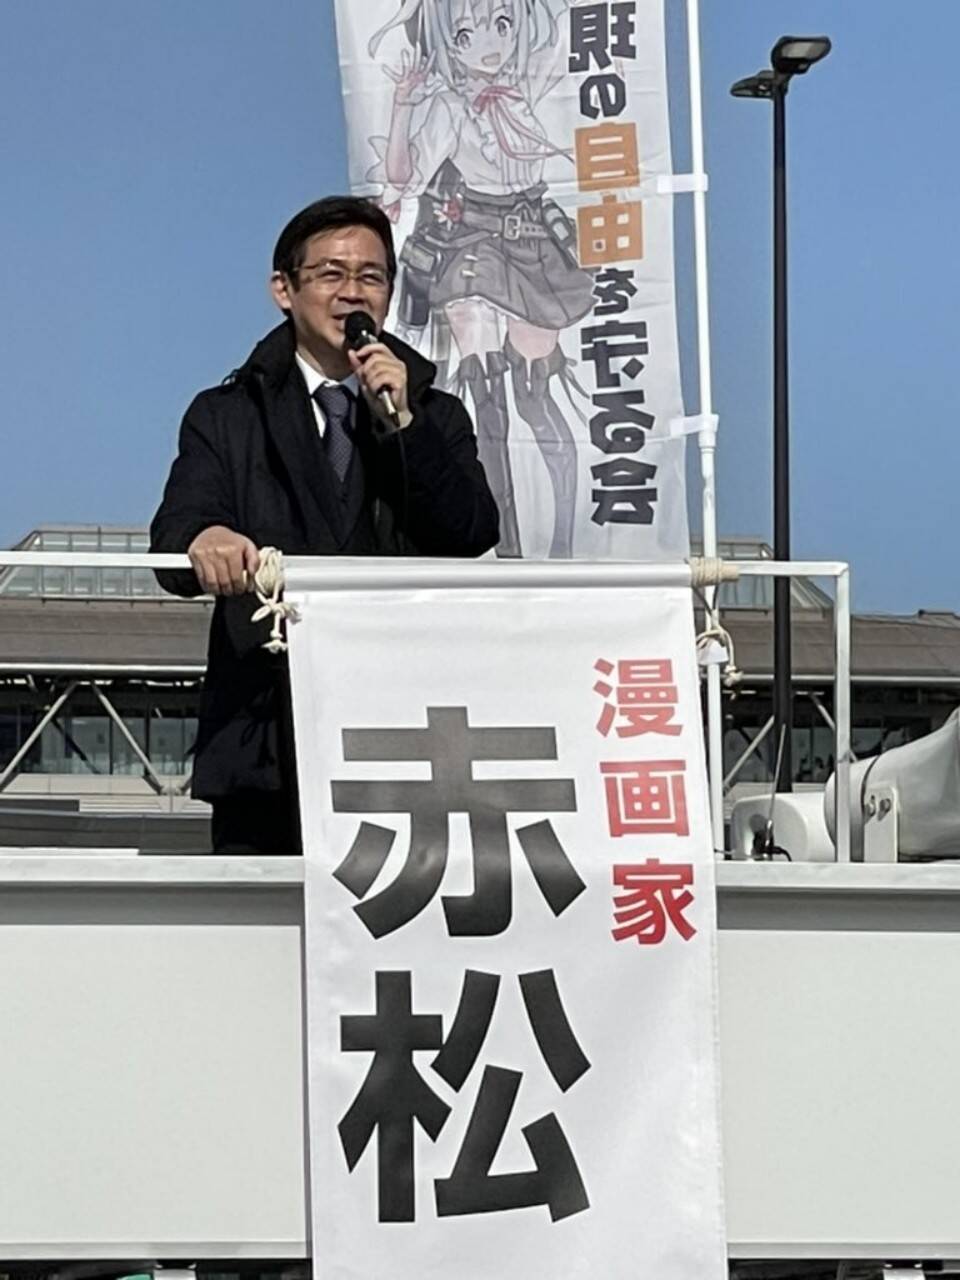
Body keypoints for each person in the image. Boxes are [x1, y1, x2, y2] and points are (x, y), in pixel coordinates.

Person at [150, 196, 499, 854]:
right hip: (265, 741)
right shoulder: (227, 414)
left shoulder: (434, 414)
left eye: (371, 277)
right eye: (331, 274)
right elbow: (177, 531)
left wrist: (404, 425)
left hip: (403, 738)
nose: (352, 293)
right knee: (264, 916)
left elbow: (472, 531)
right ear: (284, 290)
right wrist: (206, 539)